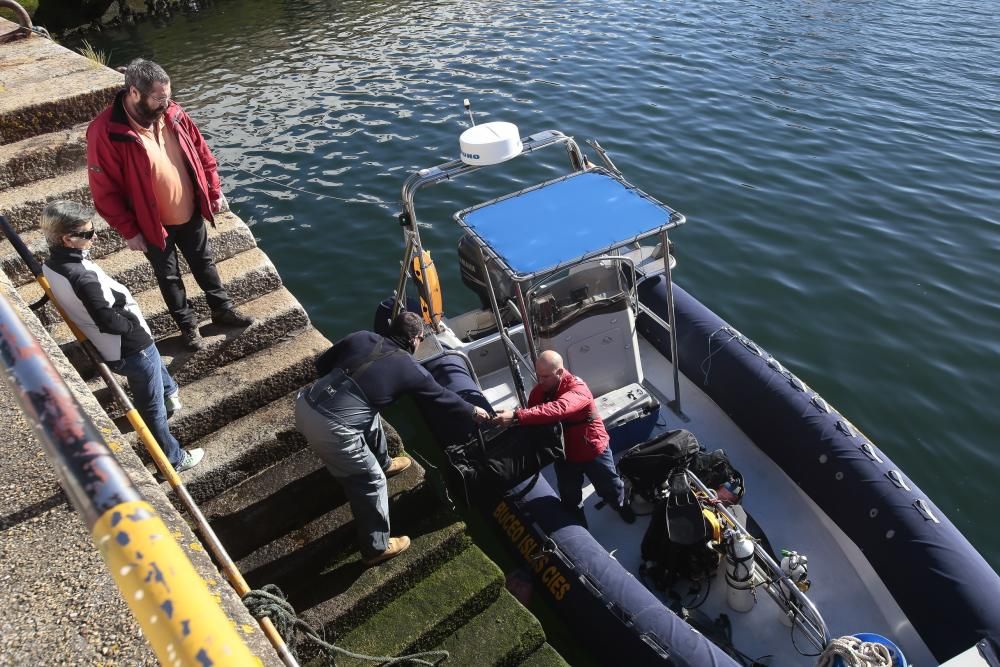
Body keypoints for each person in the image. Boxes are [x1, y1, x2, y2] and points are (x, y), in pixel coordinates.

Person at [295, 311, 491, 566]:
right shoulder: (410, 369)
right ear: (415, 339)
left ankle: (384, 461)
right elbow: (442, 397)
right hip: (332, 429)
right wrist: (473, 410)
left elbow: (322, 365)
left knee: (371, 415)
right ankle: (375, 548)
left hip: (305, 402)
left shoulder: (362, 336)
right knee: (370, 482)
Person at [86, 58, 253, 352]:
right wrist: (129, 230)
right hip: (151, 224)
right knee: (169, 276)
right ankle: (188, 327)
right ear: (134, 92)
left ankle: (222, 309)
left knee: (205, 263)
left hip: (189, 211)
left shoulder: (174, 113)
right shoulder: (105, 131)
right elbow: (104, 191)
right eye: (158, 98)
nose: (166, 103)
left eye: (167, 96)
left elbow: (202, 152)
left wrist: (212, 191)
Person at [40, 201, 203, 473]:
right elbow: (106, 319)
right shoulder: (84, 277)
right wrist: (133, 328)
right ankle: (173, 459)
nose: (95, 236)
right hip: (131, 348)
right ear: (67, 239)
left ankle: (170, 391)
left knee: (155, 368)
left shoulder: (53, 265)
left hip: (117, 346)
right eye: (88, 234)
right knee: (151, 409)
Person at [493, 350, 635, 524]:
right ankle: (579, 525)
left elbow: (560, 408)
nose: (540, 381)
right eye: (539, 376)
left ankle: (620, 505)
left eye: (545, 376)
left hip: (593, 449)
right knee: (569, 497)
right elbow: (533, 417)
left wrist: (516, 415)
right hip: (565, 454)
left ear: (560, 372)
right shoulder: (538, 393)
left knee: (611, 487)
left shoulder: (578, 388)